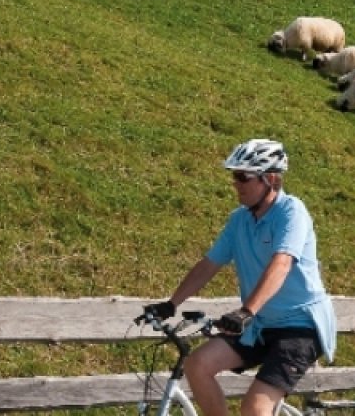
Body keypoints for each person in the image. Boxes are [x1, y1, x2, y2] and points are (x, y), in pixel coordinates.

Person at [141, 139, 337, 416]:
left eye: (243, 177)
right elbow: (209, 264)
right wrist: (172, 303)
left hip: (299, 327)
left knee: (255, 407)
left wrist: (246, 311)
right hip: (259, 326)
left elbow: (281, 264)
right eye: (234, 175)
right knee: (197, 364)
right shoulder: (239, 221)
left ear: (270, 179)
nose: (236, 183)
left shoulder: (292, 212)